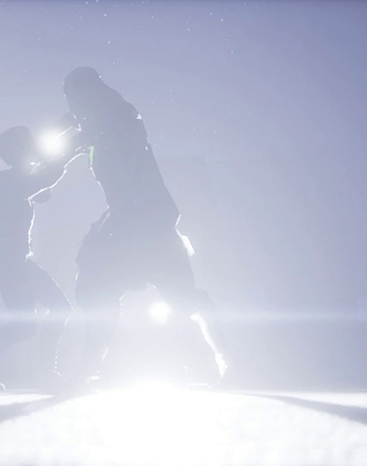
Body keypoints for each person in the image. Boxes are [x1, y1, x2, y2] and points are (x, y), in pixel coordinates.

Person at [59, 67, 230, 387]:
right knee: (96, 291)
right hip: (125, 219)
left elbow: (102, 133)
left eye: (75, 96)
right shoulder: (95, 124)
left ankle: (225, 360)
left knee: (182, 297)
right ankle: (90, 367)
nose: (73, 103)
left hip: (149, 220)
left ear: (90, 92)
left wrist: (73, 135)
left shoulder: (119, 115)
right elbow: (72, 148)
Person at [0, 125, 76, 391]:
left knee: (42, 317)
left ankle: (41, 373)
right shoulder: (13, 182)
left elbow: (44, 192)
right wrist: (71, 151)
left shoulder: (14, 180)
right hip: (8, 263)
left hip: (12, 261)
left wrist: (49, 156)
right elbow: (48, 179)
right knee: (33, 322)